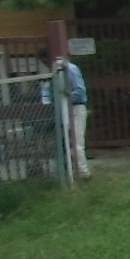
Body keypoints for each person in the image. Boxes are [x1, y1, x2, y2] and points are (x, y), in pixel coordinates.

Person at [38, 47, 91, 177]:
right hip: (64, 108)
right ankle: (70, 171)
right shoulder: (56, 71)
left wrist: (65, 97)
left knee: (76, 142)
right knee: (65, 142)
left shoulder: (70, 69)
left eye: (45, 61)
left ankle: (83, 173)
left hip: (75, 107)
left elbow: (80, 92)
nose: (45, 64)